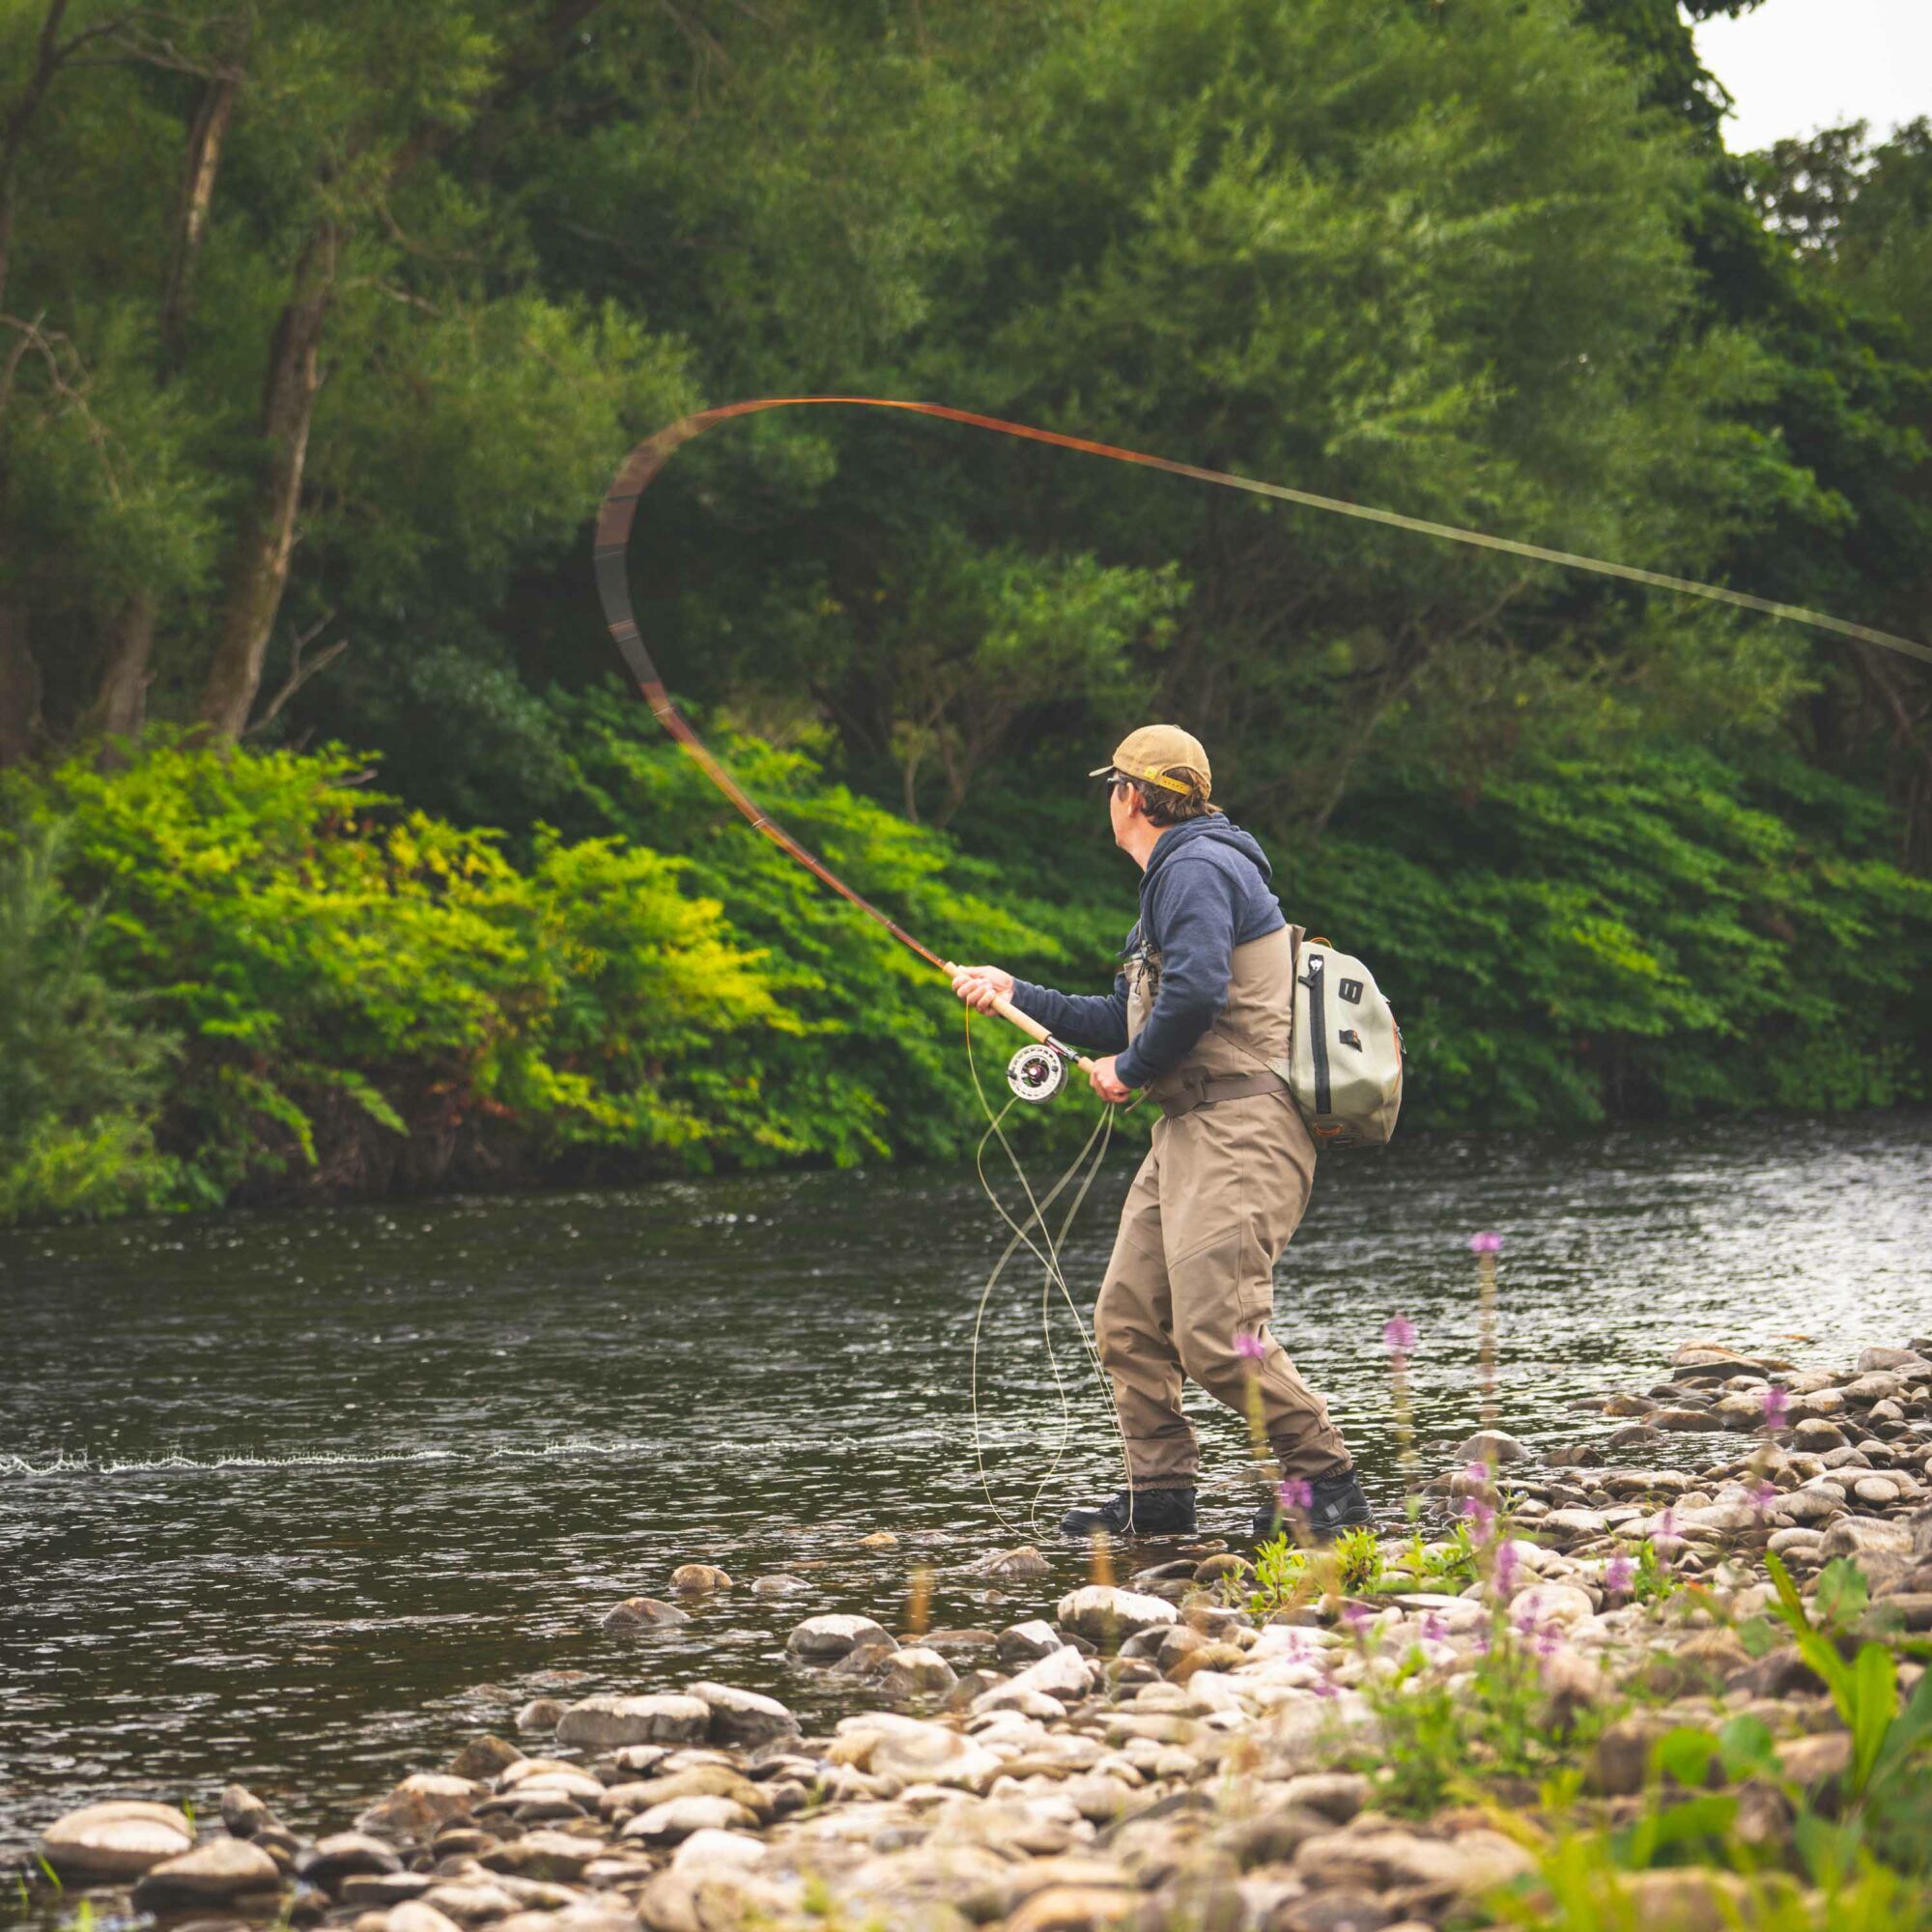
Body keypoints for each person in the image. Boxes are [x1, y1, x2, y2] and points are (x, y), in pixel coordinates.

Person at [951, 725, 1372, 1543]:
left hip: (1244, 1124)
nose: (1110, 801)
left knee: (1216, 1332)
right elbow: (1124, 1014)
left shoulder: (1196, 868)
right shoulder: (1175, 883)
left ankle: (1328, 1486)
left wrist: (1130, 1070)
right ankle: (1162, 1494)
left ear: (1131, 797)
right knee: (1129, 1318)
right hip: (1190, 1129)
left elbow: (1199, 996)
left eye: (1112, 788)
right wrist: (1015, 992)